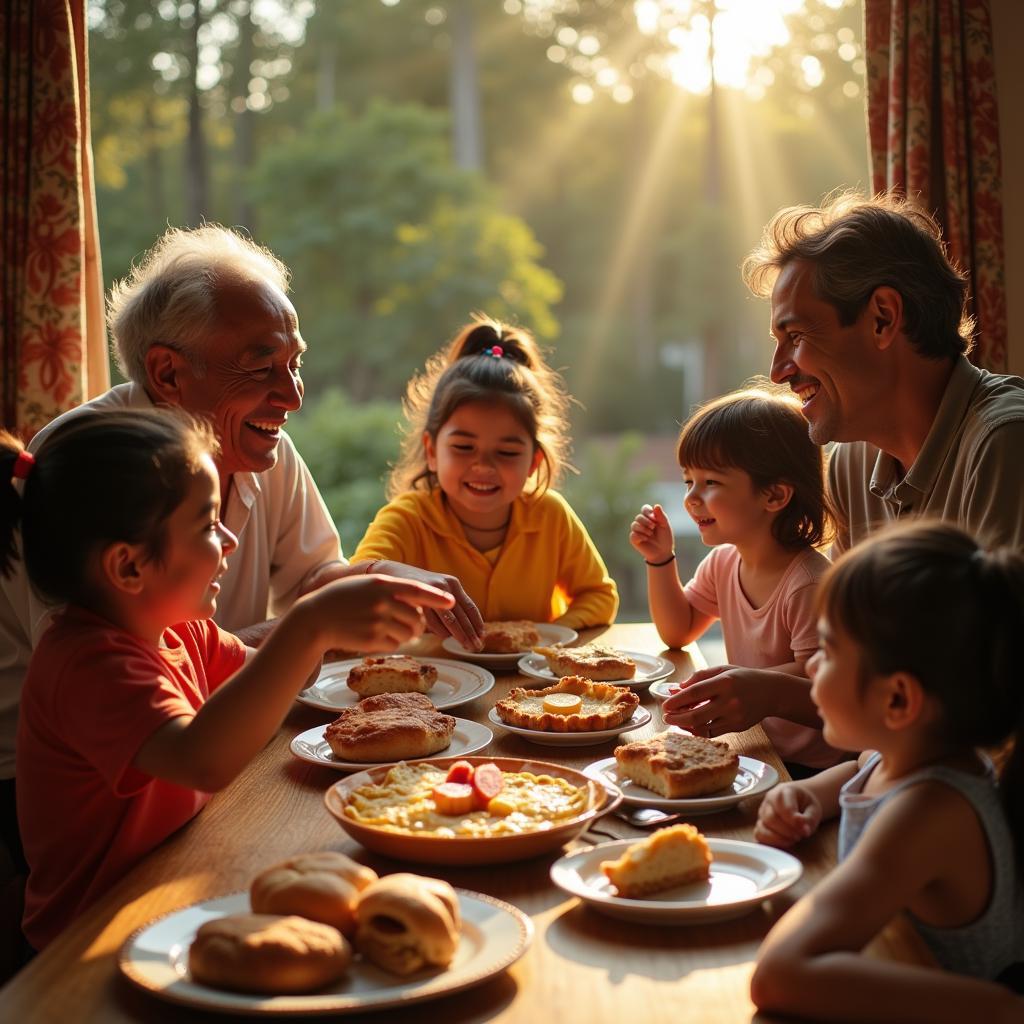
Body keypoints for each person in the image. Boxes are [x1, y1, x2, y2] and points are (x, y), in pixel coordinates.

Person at [0, 225, 482, 873]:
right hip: (92, 803)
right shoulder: (88, 476)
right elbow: (167, 697)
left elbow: (312, 587)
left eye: (296, 363)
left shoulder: (257, 444)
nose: (293, 395)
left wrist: (372, 581)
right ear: (168, 372)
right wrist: (310, 625)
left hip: (192, 780)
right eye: (262, 367)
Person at [0, 409, 453, 951]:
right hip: (89, 940)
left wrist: (342, 625)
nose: (230, 541)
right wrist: (310, 621)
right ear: (128, 567)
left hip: (174, 894)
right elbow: (200, 759)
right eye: (207, 525)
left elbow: (275, 682)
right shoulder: (86, 663)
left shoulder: (180, 632)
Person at [750, 522, 1024, 1022]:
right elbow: (859, 772)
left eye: (828, 651)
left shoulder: (928, 810)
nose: (811, 667)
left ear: (897, 699)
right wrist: (808, 795)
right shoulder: (909, 755)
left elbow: (779, 974)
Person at [742, 189, 1024, 556]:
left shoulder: (1004, 444)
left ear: (883, 318)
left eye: (795, 336)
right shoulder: (850, 465)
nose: (777, 373)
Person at [352, 316, 618, 629]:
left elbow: (600, 596)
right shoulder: (408, 518)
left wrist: (547, 636)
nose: (483, 467)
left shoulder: (551, 516)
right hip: (438, 676)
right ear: (432, 451)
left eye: (507, 453)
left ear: (533, 461)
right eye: (464, 447)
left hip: (531, 678)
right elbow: (352, 586)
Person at [629, 387, 840, 771]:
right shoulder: (724, 562)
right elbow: (678, 631)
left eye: (711, 482)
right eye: (688, 481)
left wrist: (740, 682)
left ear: (774, 495)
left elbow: (821, 684)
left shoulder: (808, 584)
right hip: (754, 746)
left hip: (810, 767)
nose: (692, 498)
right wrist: (660, 560)